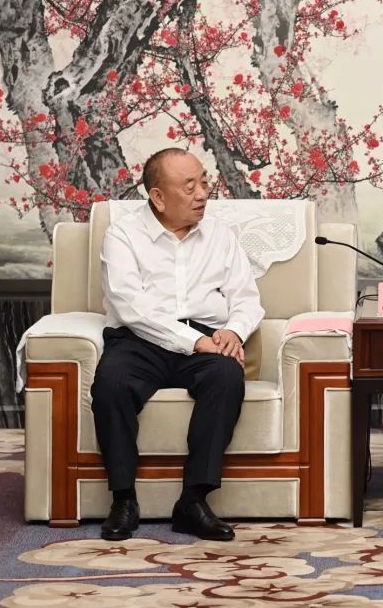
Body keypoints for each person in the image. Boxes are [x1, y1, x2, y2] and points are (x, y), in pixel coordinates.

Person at [90, 148, 264, 542]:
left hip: (207, 336)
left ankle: (193, 500)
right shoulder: (123, 235)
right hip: (140, 338)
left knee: (226, 377)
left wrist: (234, 332)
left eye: (203, 181)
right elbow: (130, 306)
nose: (202, 193)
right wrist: (194, 341)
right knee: (111, 383)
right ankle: (123, 499)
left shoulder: (220, 235)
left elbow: (246, 298)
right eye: (189, 186)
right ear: (158, 196)